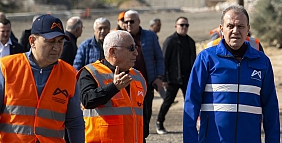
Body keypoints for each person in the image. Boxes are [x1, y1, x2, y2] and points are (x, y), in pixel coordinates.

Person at [183, 4, 280, 143]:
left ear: (248, 29)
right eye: (230, 26)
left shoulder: (262, 62)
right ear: (222, 29)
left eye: (241, 26)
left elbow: (271, 108)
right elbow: (191, 103)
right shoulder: (206, 58)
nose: (235, 31)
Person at [0, 14, 84, 142]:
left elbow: (74, 122)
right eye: (50, 42)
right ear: (32, 41)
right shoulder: (7, 67)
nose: (57, 47)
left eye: (60, 41)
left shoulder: (69, 74)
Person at [78, 30, 147, 143]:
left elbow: (143, 116)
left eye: (136, 47)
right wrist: (113, 87)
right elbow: (87, 100)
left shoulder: (138, 76)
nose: (136, 53)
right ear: (113, 52)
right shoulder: (91, 73)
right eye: (131, 48)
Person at [123, 10, 164, 142]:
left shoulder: (150, 36)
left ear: (139, 22)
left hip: (146, 84)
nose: (128, 24)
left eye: (132, 21)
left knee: (145, 115)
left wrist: (159, 77)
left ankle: (142, 138)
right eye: (126, 21)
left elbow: (159, 57)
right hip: (125, 85)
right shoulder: (121, 37)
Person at [156, 17, 196, 134]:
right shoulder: (170, 41)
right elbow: (164, 61)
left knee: (190, 103)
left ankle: (191, 126)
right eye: (181, 25)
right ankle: (159, 122)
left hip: (187, 78)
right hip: (173, 78)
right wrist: (164, 78)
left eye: (186, 25)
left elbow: (193, 62)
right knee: (168, 101)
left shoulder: (190, 42)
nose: (184, 27)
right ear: (176, 26)